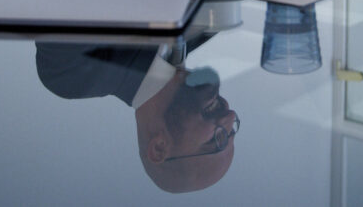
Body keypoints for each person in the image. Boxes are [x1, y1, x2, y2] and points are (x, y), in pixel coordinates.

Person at [36, 40, 238, 193]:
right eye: (232, 132)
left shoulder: (74, 73)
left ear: (159, 147)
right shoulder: (212, 23)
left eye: (216, 140)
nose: (230, 115)